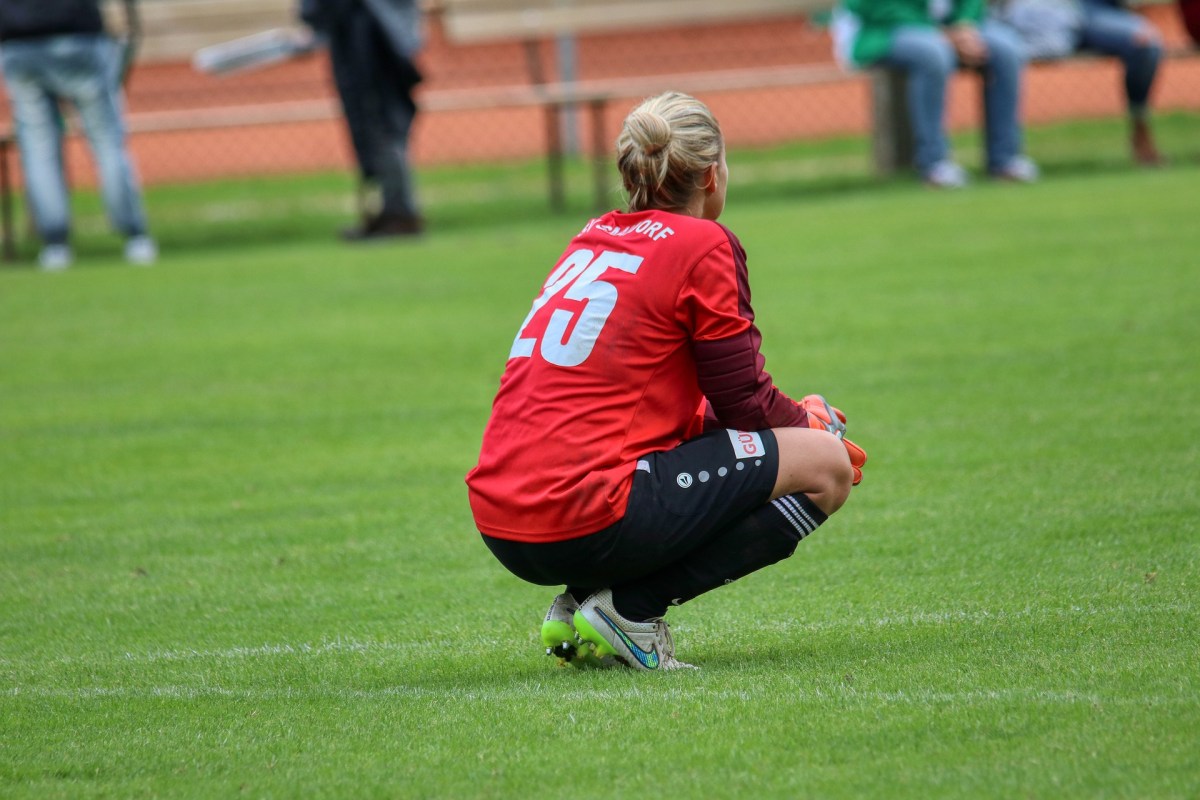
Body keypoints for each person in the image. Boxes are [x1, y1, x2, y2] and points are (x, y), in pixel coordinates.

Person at [465, 92, 868, 672]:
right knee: (827, 466)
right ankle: (630, 610)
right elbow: (745, 403)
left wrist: (792, 422)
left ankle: (582, 601)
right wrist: (807, 423)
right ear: (710, 175)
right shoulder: (704, 243)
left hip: (503, 519)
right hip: (580, 512)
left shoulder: (592, 237)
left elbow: (656, 406)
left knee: (765, 447)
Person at [0, 0, 156, 270]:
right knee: (107, 142)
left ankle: (55, 245)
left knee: (38, 149)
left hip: (18, 42)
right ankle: (136, 237)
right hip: (77, 36)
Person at [832, 0, 1039, 188]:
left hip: (946, 30)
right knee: (934, 53)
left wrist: (964, 25)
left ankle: (1005, 160)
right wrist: (939, 33)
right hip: (879, 31)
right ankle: (934, 164)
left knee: (1006, 50)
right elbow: (875, 8)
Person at [300, 0, 424, 240]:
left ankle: (399, 214)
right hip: (380, 35)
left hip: (370, 37)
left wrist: (315, 21)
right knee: (381, 127)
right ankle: (391, 211)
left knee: (381, 126)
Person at [995, 0, 1165, 165]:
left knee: (1147, 43)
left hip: (1095, 11)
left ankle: (1140, 123)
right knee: (1005, 51)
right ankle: (1005, 159)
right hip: (1040, 11)